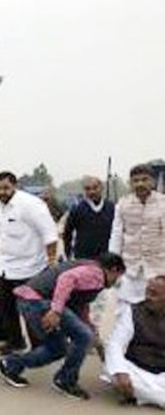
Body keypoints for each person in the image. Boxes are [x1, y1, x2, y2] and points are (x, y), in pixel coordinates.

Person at [0, 253, 125, 400]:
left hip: (29, 301)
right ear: (113, 270)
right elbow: (66, 278)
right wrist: (56, 311)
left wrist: (96, 338)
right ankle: (65, 380)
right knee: (84, 337)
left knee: (57, 348)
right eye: (118, 277)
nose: (116, 282)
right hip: (38, 301)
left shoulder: (90, 269)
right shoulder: (97, 273)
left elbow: (80, 308)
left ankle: (10, 365)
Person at [0, 171, 59, 354]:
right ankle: (15, 341)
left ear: (15, 186)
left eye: (6, 188)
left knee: (31, 311)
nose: (2, 192)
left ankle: (39, 346)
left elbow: (50, 233)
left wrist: (52, 261)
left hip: (30, 269)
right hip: (5, 268)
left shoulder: (31, 204)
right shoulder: (0, 205)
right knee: (6, 309)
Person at [103, 275, 165, 408]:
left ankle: (144, 396)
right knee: (112, 371)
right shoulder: (133, 311)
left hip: (162, 376)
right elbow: (115, 344)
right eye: (147, 292)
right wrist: (121, 372)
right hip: (136, 370)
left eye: (154, 294)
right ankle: (156, 397)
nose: (148, 297)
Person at [109, 164, 165, 305]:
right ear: (130, 183)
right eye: (135, 180)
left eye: (144, 179)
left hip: (157, 270)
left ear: (153, 181)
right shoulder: (123, 204)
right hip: (130, 269)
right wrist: (112, 266)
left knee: (156, 313)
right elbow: (116, 235)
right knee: (125, 312)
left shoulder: (162, 203)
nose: (140, 184)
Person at [63, 177, 115, 327]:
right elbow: (67, 233)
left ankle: (94, 330)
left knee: (100, 298)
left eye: (94, 188)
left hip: (105, 261)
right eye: (87, 189)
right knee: (82, 297)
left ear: (101, 188)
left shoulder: (112, 208)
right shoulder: (77, 209)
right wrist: (68, 256)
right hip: (83, 260)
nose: (91, 191)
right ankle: (82, 328)